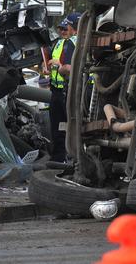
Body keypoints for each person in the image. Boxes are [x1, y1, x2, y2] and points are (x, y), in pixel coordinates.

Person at [46, 12, 80, 162]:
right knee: (58, 129)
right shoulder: (60, 42)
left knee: (70, 128)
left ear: (75, 28)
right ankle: (58, 160)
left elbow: (70, 68)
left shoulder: (75, 42)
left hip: (70, 92)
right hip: (57, 92)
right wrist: (47, 66)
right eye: (61, 28)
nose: (62, 31)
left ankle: (71, 159)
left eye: (66, 28)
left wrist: (59, 67)